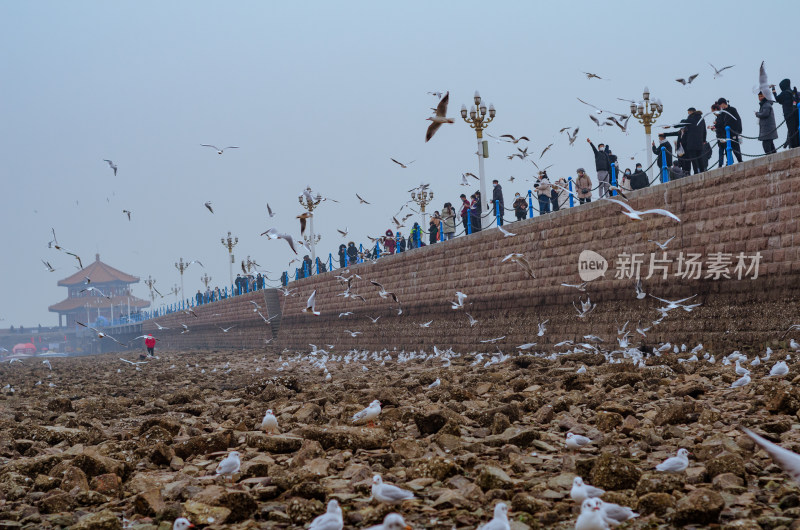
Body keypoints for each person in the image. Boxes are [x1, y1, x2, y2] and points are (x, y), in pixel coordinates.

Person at [772, 79, 800, 149]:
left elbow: (776, 99)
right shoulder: (793, 92)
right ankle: (798, 144)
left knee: (791, 130)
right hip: (795, 113)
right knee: (796, 129)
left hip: (788, 115)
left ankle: (793, 146)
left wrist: (773, 90)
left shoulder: (784, 93)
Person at [716, 98, 743, 163]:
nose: (720, 107)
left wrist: (739, 130)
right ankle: (729, 162)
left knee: (736, 146)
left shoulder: (732, 109)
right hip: (727, 133)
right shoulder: (722, 113)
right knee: (728, 148)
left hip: (734, 131)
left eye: (720, 105)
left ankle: (740, 160)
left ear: (723, 103)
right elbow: (721, 123)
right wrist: (715, 126)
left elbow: (738, 119)